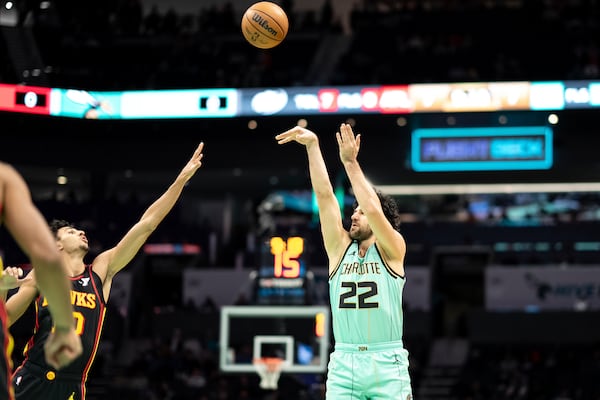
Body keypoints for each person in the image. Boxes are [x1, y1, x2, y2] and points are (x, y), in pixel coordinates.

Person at [3, 142, 205, 400]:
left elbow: (147, 224)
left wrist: (181, 180)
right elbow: (5, 319)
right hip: (34, 380)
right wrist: (1, 290)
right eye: (71, 232)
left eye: (79, 230)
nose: (81, 232)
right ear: (56, 244)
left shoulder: (100, 271)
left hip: (74, 386)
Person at [275, 123, 413, 399]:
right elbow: (325, 199)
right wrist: (313, 148)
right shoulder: (339, 249)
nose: (354, 215)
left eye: (360, 212)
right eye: (354, 210)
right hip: (344, 362)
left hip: (386, 361)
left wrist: (350, 162)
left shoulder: (393, 248)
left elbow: (374, 209)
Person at [0, 162, 83, 400]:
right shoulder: (4, 179)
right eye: (70, 232)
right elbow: (46, 256)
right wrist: (65, 328)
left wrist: (3, 289)